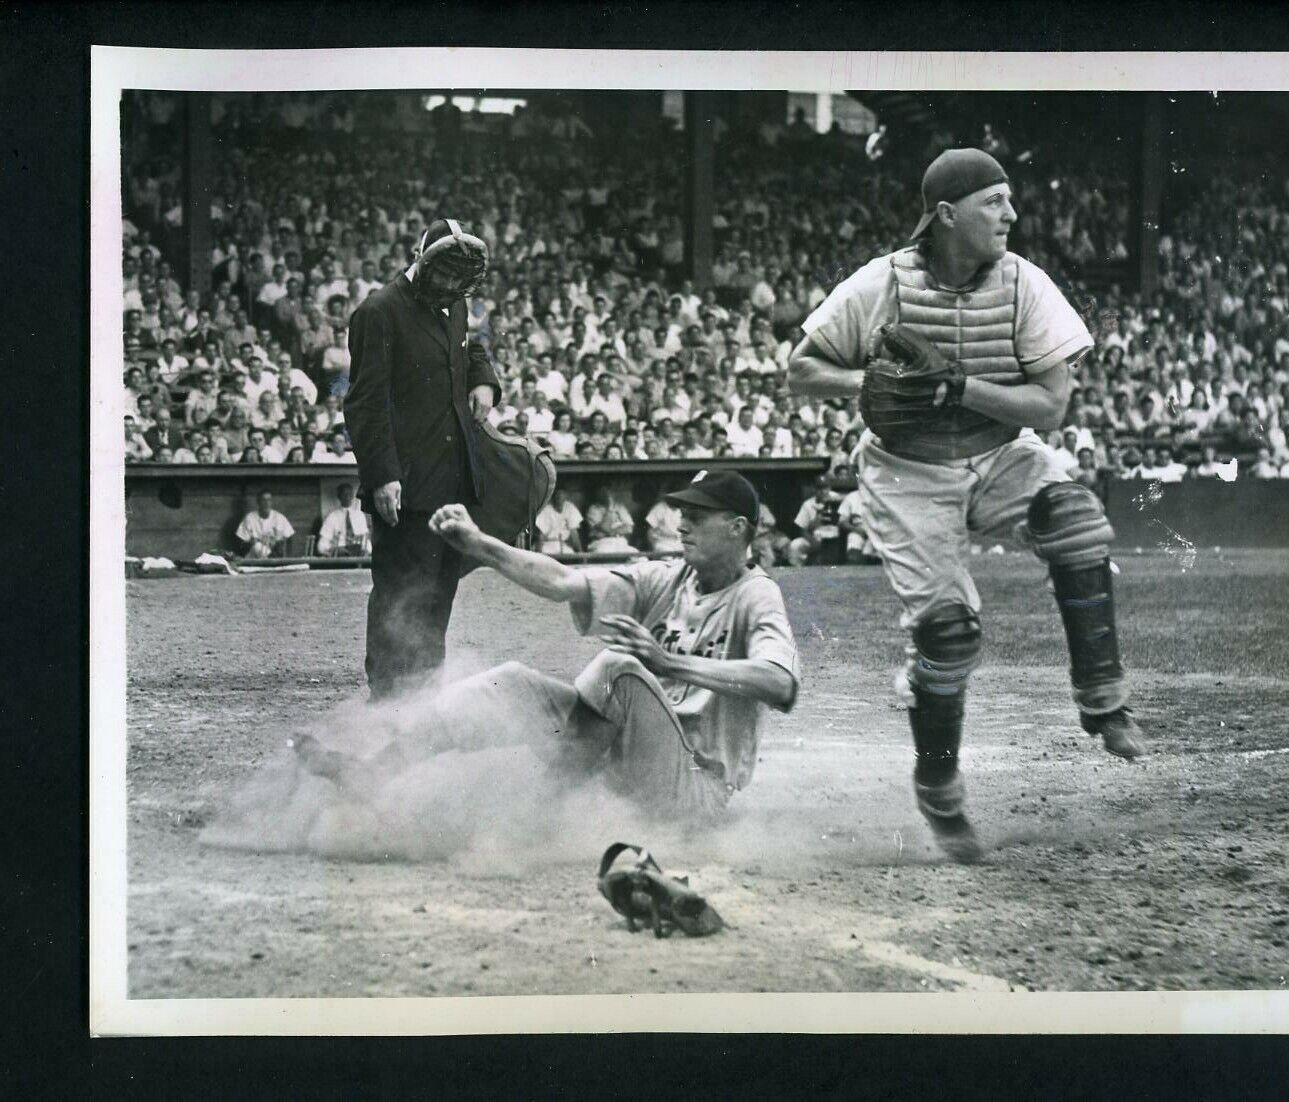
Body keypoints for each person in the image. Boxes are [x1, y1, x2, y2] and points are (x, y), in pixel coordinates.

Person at [787, 148, 1145, 864]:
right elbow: (801, 371)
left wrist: (957, 387)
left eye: (1010, 201)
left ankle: (1103, 700)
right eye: (995, 202)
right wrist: (871, 376)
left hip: (997, 452)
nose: (1011, 214)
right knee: (949, 636)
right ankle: (940, 790)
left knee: (1075, 518)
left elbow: (1049, 405)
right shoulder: (882, 282)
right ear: (947, 214)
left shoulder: (1023, 284)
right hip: (906, 470)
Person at [295, 471, 799, 824]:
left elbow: (781, 684)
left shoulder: (757, 595)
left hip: (695, 787)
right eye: (682, 511)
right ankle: (375, 773)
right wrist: (480, 545)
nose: (682, 522)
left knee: (617, 665)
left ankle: (546, 807)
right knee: (509, 683)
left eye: (699, 515)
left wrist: (669, 663)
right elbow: (563, 580)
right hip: (629, 765)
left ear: (738, 529)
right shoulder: (668, 578)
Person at [343, 218, 498, 699]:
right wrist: (383, 476)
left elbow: (468, 351)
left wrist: (484, 380)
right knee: (399, 594)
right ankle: (387, 700)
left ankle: (426, 699)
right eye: (445, 274)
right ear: (421, 260)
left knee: (438, 593)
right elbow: (365, 402)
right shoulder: (379, 311)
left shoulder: (453, 304)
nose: (452, 286)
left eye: (460, 278)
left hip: (452, 480)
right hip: (405, 484)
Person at [787, 475, 843, 566]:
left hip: (834, 538)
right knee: (795, 545)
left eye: (825, 487)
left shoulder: (837, 499)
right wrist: (812, 541)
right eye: (819, 488)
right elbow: (802, 529)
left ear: (829, 488)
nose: (822, 491)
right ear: (814, 489)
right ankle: (797, 574)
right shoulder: (808, 504)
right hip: (815, 537)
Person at [317, 482, 372, 557]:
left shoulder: (360, 516)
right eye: (344, 494)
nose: (347, 497)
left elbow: (365, 539)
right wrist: (330, 551)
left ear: (353, 496)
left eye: (349, 494)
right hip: (340, 554)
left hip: (357, 554)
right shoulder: (332, 517)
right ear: (339, 497)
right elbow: (322, 544)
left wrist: (368, 550)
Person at [235, 490, 295, 559]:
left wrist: (277, 542)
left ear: (271, 502)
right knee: (257, 546)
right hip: (254, 556)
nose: (267, 503)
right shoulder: (249, 518)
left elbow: (289, 538)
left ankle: (269, 560)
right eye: (263, 500)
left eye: (269, 500)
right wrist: (250, 543)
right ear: (258, 503)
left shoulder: (279, 518)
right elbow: (241, 541)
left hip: (274, 555)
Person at [535, 487, 585, 556]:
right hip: (548, 545)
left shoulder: (570, 507)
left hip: (564, 545)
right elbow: (541, 537)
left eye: (562, 497)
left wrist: (581, 553)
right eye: (557, 497)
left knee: (570, 554)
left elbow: (574, 535)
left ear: (565, 498)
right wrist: (538, 555)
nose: (559, 500)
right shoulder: (546, 510)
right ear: (553, 498)